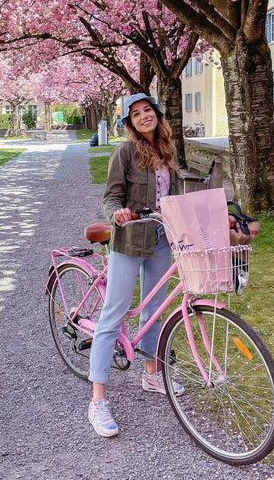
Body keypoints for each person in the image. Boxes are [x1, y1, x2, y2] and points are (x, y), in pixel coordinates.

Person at [88, 93, 185, 438]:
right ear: (129, 123)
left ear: (157, 114)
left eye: (148, 110)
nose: (144, 116)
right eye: (136, 114)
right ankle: (98, 400)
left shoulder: (167, 152)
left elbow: (173, 196)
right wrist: (117, 212)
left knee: (155, 309)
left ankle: (150, 373)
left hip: (161, 239)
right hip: (129, 239)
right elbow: (111, 196)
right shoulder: (125, 152)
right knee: (114, 314)